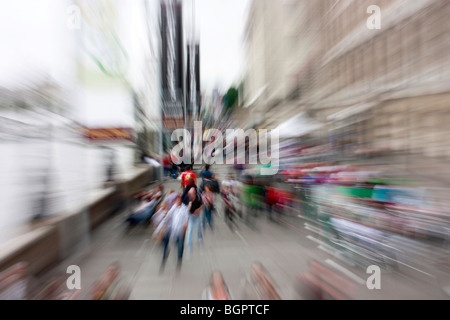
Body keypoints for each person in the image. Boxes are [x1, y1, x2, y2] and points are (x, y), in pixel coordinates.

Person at [160, 194, 190, 271]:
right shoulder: (173, 207)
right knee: (166, 242)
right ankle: (164, 257)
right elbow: (168, 216)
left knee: (180, 247)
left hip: (180, 231)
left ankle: (179, 261)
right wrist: (165, 226)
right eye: (176, 200)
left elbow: (186, 220)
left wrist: (184, 230)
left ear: (180, 201)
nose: (177, 202)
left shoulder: (183, 209)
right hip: (172, 229)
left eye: (179, 200)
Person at [185, 186, 203, 256]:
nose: (190, 194)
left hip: (197, 216)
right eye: (189, 193)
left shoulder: (198, 198)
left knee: (198, 230)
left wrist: (198, 210)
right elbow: (186, 209)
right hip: (190, 216)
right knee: (189, 231)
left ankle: (200, 240)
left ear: (194, 193)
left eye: (191, 193)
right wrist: (188, 206)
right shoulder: (188, 198)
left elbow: (202, 206)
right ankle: (189, 246)